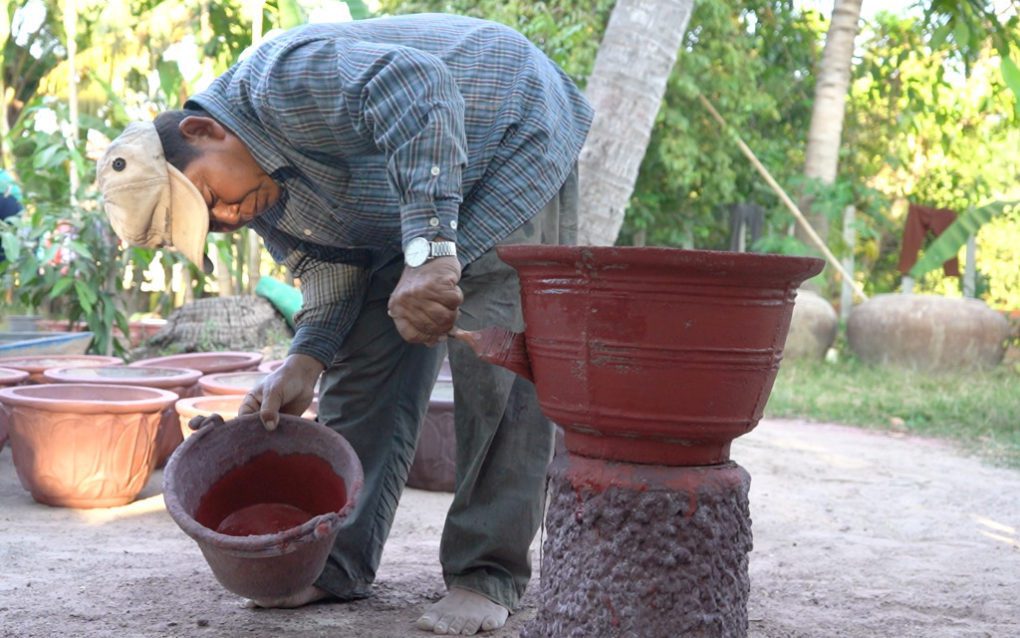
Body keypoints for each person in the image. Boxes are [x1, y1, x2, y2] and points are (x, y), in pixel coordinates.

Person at [97, 13, 592, 636]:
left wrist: (430, 252)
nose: (227, 217)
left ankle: (485, 573)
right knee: (359, 363)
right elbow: (331, 267)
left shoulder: (282, 79)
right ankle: (336, 561)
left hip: (509, 132)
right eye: (214, 226)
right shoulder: (264, 197)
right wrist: (304, 360)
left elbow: (421, 87)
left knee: (498, 357)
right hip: (412, 209)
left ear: (204, 130)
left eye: (209, 199)